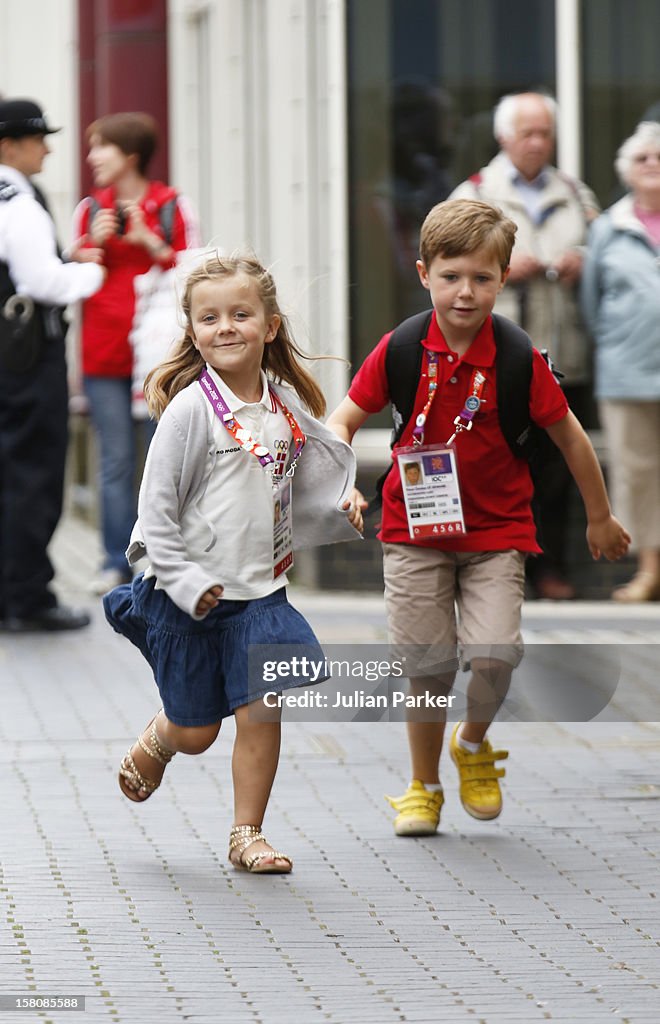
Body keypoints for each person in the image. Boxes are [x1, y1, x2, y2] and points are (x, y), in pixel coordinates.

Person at [326, 198, 630, 837]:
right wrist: (340, 485)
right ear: (423, 273)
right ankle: (423, 785)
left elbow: (573, 439)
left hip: (497, 532)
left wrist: (600, 519)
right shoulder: (403, 347)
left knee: (496, 656)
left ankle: (472, 742)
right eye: (451, 276)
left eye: (482, 278)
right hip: (413, 531)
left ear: (503, 276)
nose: (466, 292)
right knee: (428, 666)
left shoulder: (517, 356)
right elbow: (344, 421)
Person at [103, 253, 362, 873]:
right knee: (198, 734)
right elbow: (155, 513)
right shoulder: (191, 411)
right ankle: (163, 735)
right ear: (192, 331)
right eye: (209, 317)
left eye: (241, 314)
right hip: (185, 594)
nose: (226, 327)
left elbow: (300, 475)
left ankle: (247, 835)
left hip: (261, 595)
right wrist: (186, 581)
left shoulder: (283, 405)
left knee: (262, 709)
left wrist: (342, 497)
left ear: (269, 326)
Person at [451, 92, 601, 600]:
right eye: (527, 133)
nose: (538, 143)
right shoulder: (473, 193)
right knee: (498, 462)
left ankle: (550, 570)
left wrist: (582, 259)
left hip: (563, 353)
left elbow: (603, 253)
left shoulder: (576, 193)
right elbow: (449, 262)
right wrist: (504, 272)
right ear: (503, 137)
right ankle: (499, 569)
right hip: (498, 354)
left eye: (545, 133)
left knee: (557, 466)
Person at [72, 112, 200, 595]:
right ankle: (113, 561)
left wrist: (150, 240)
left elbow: (198, 270)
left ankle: (161, 559)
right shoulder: (88, 210)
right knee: (115, 463)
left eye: (100, 147)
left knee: (163, 462)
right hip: (103, 355)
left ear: (128, 154)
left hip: (160, 357)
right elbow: (69, 277)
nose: (92, 158)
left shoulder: (171, 206)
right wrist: (91, 245)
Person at [0, 98, 104, 632]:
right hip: (25, 358)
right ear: (9, 145)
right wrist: (90, 276)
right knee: (33, 472)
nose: (48, 148)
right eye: (38, 139)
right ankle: (27, 596)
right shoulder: (16, 199)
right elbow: (40, 282)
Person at [581, 122, 660, 602]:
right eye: (642, 158)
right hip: (628, 372)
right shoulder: (607, 229)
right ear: (626, 172)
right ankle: (650, 571)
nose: (653, 164)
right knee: (637, 473)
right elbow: (591, 306)